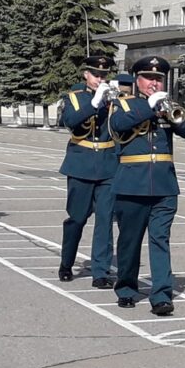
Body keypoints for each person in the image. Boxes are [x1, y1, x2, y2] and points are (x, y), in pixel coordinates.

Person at [108, 56, 185, 315]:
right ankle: (126, 288)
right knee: (130, 242)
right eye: (149, 78)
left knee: (160, 240)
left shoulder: (169, 105)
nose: (154, 83)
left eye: (158, 79)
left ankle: (161, 295)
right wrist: (149, 108)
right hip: (132, 184)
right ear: (137, 79)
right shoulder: (122, 105)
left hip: (165, 185)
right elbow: (118, 126)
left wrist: (170, 112)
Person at [57, 52, 121, 286]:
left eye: (103, 75)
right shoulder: (74, 98)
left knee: (105, 221)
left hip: (107, 163)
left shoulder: (114, 99)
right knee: (77, 218)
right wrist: (94, 104)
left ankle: (101, 272)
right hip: (81, 163)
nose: (100, 79)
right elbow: (70, 122)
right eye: (95, 75)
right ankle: (66, 263)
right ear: (86, 75)